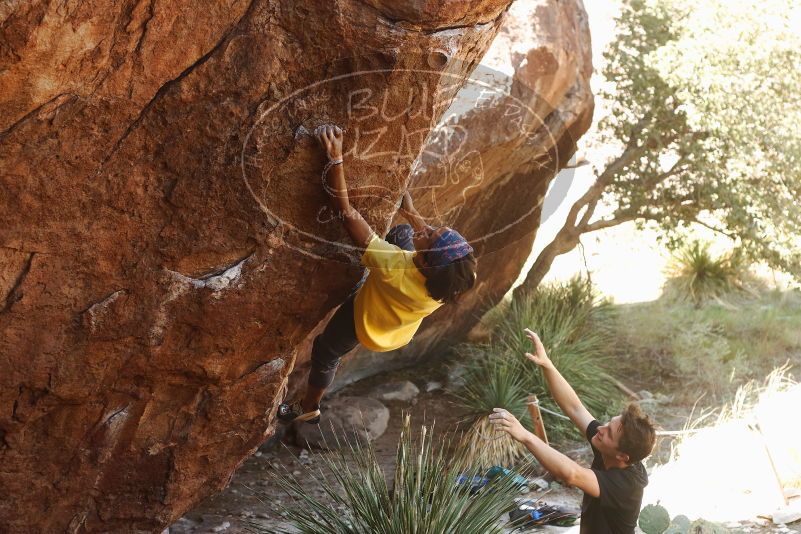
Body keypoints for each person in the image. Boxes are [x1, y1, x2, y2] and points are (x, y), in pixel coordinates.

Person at [278, 125, 477, 424]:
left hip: (367, 320)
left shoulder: (395, 266)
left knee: (326, 350)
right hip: (398, 324)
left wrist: (335, 159)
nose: (429, 227)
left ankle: (310, 407)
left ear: (423, 261)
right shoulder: (453, 279)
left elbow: (345, 211)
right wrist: (409, 211)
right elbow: (429, 246)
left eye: (433, 233)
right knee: (402, 232)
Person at [489, 329, 657, 534]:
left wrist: (524, 435)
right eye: (608, 423)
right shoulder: (608, 445)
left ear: (623, 456)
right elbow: (575, 408)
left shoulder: (627, 485)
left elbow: (572, 474)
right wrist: (547, 365)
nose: (601, 429)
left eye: (609, 432)